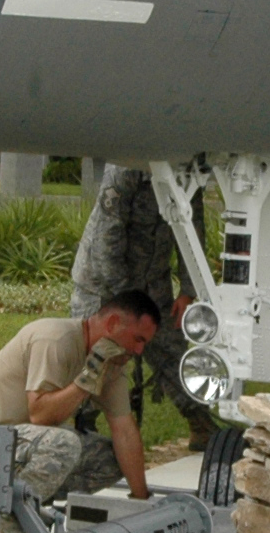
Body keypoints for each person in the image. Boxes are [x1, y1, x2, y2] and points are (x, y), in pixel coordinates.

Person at [0, 292, 163, 507]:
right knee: (64, 443)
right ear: (113, 323)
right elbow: (41, 415)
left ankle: (32, 510)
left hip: (20, 444)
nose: (138, 351)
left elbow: (124, 431)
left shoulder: (111, 362)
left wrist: (142, 500)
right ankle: (12, 526)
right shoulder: (55, 338)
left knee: (111, 458)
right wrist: (87, 379)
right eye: (138, 339)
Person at [70, 164, 216, 444]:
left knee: (173, 353)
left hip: (153, 285)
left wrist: (188, 289)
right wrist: (125, 302)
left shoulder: (188, 170)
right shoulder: (126, 167)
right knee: (95, 356)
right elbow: (107, 238)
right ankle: (83, 426)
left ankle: (200, 423)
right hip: (104, 287)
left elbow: (192, 230)